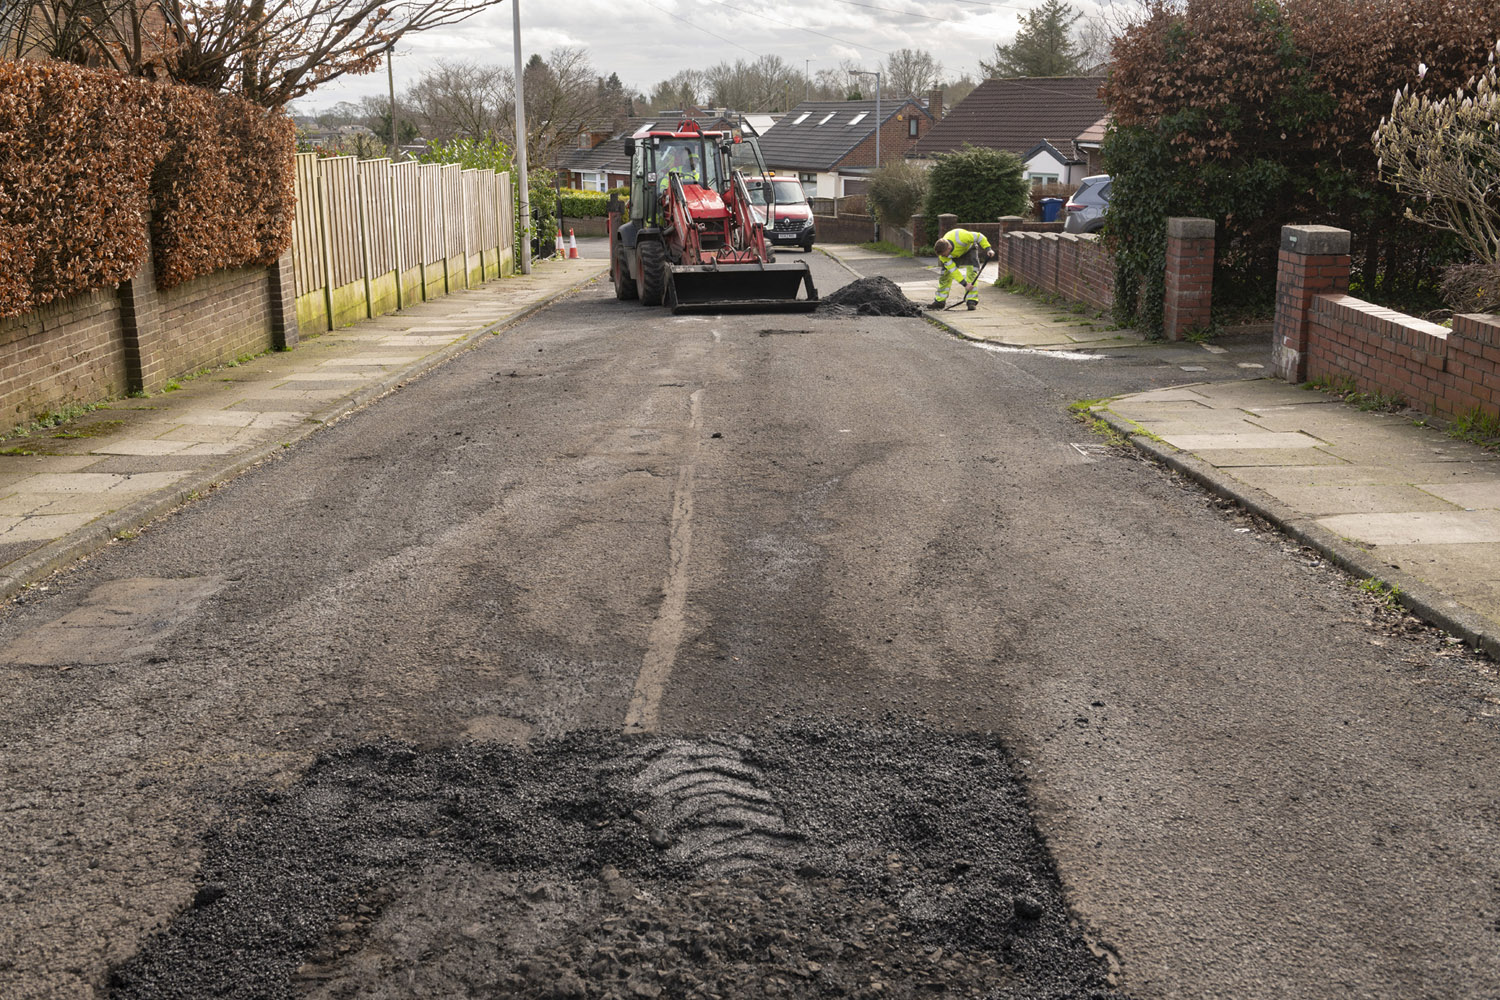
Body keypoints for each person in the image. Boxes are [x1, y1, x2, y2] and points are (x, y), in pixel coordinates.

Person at [928, 228, 997, 311]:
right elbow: (953, 271)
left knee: (972, 272)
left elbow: (979, 236)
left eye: (944, 254)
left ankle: (971, 301)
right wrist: (965, 284)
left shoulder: (962, 237)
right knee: (945, 275)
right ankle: (940, 302)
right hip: (954, 255)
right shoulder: (943, 256)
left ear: (949, 248)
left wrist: (988, 249)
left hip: (969, 249)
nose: (943, 257)